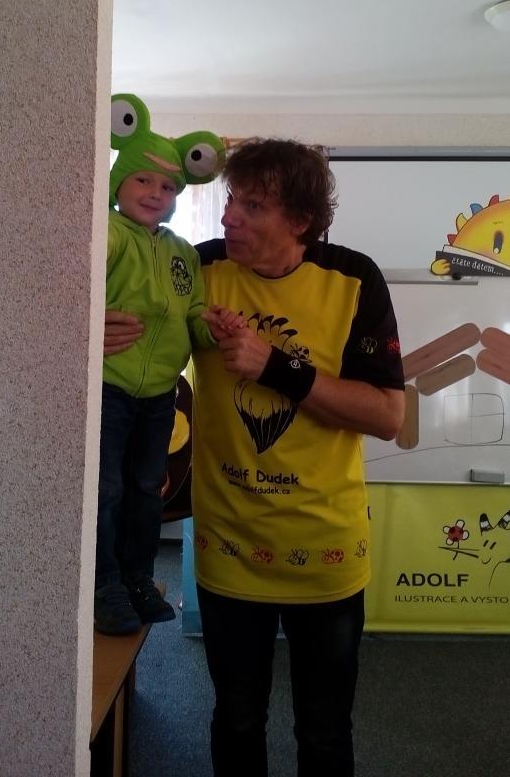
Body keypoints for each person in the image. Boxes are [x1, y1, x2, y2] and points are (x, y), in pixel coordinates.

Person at [104, 137, 405, 775]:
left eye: (253, 205)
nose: (228, 216)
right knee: (237, 719)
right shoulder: (197, 265)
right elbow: (128, 323)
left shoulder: (354, 279)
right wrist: (90, 329)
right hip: (229, 550)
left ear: (300, 220)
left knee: (325, 731)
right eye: (231, 199)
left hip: (324, 551)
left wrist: (277, 368)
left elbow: (387, 415)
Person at [95, 93, 241, 636]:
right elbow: (70, 289)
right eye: (143, 180)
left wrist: (213, 328)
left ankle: (137, 577)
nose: (156, 193)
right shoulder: (108, 233)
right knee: (106, 490)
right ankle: (104, 584)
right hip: (108, 388)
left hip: (160, 392)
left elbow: (192, 314)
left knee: (146, 488)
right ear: (118, 183)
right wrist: (85, 325)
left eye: (169, 187)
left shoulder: (183, 252)